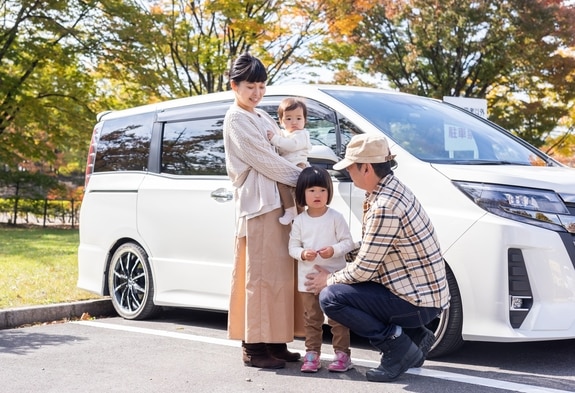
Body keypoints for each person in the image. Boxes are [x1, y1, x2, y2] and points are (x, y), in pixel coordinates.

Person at [304, 133, 450, 382]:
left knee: (332, 298)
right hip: (425, 297)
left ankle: (397, 347)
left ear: (366, 168)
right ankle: (415, 336)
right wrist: (340, 250)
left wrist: (327, 280)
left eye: (351, 167)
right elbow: (377, 246)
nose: (349, 172)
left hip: (416, 303)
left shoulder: (385, 205)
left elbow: (363, 271)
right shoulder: (394, 189)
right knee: (343, 288)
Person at [223, 52, 303, 369]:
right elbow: (266, 161)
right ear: (234, 86)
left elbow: (288, 146)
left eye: (261, 86)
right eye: (250, 86)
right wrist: (306, 179)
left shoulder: (263, 116)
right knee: (258, 277)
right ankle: (254, 347)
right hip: (258, 206)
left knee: (280, 275)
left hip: (279, 202)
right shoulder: (236, 118)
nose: (256, 93)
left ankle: (275, 341)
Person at [288, 166, 356, 373]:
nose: (317, 195)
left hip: (334, 280)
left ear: (329, 192)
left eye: (322, 190)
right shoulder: (299, 221)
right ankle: (312, 354)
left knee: (338, 319)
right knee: (312, 319)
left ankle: (342, 355)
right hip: (307, 281)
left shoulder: (335, 217)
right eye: (311, 190)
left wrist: (333, 250)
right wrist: (302, 254)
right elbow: (292, 247)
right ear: (302, 194)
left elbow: (348, 243)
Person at [266, 98, 312, 225]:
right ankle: (294, 212)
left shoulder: (301, 134)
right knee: (290, 190)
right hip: (289, 166)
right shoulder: (284, 134)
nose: (294, 122)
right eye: (289, 118)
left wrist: (274, 138)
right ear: (281, 121)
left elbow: (291, 146)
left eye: (298, 118)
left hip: (299, 165)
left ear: (304, 120)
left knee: (293, 190)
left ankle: (295, 212)